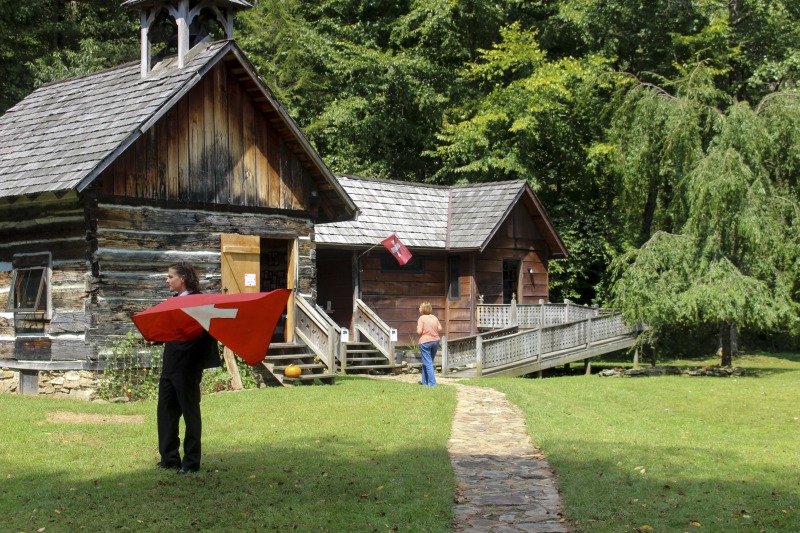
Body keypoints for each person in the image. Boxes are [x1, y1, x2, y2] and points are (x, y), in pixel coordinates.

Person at [156, 261, 221, 475]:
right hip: (170, 366)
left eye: (170, 276)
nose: (167, 280)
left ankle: (191, 462)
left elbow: (207, 333)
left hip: (188, 367)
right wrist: (154, 337)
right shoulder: (172, 302)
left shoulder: (200, 302)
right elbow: (169, 331)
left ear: (182, 279)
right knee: (166, 414)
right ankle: (169, 458)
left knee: (190, 415)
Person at [416, 302, 442, 386]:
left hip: (425, 342)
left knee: (428, 363)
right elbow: (440, 328)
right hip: (435, 341)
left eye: (420, 307)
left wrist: (418, 329)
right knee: (427, 362)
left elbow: (419, 331)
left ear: (423, 309)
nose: (419, 309)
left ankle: (432, 383)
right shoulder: (434, 317)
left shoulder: (421, 318)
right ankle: (424, 382)